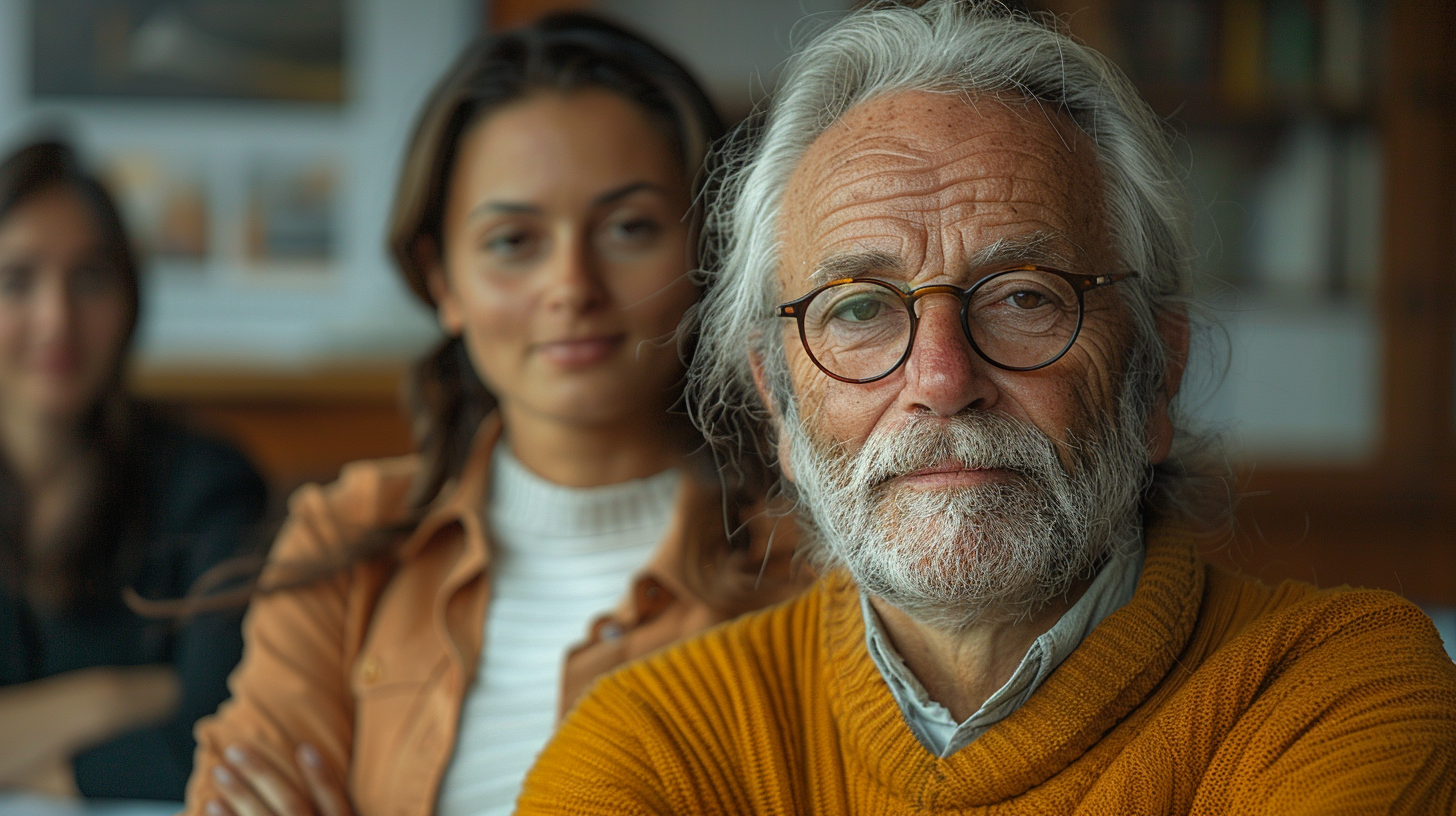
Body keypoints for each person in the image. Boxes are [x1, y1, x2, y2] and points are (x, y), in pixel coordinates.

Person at [517, 2, 1456, 813]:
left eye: (1023, 296)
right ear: (779, 410)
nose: (939, 376)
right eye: (858, 309)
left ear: (1156, 374)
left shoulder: (1338, 688)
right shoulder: (654, 743)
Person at [183, 14, 804, 816]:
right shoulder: (351, 539)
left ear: (707, 252)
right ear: (441, 279)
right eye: (514, 240)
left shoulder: (801, 565)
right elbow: (235, 797)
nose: (571, 285)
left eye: (628, 228)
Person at [0, 139, 267, 800]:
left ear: (129, 301)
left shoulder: (210, 486)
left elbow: (216, 746)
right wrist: (123, 694)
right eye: (17, 280)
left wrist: (28, 756)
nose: (56, 319)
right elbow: (185, 711)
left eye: (89, 278)